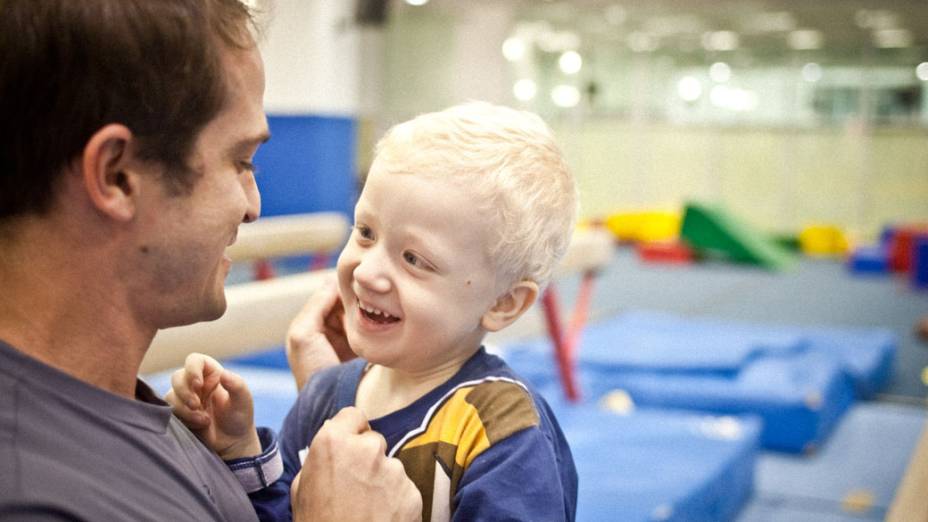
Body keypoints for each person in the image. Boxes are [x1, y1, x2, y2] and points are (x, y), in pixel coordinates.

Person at [0, 0, 420, 520]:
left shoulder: (131, 403)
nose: (253, 206)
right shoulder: (35, 496)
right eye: (240, 161)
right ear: (117, 177)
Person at [170, 102, 580, 521]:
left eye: (414, 259)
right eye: (365, 233)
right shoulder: (324, 394)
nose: (367, 272)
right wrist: (241, 454)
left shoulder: (501, 431)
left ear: (502, 303)